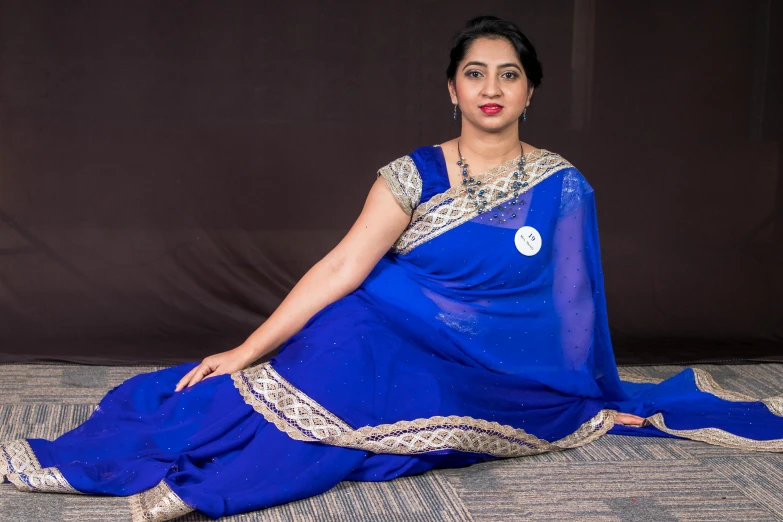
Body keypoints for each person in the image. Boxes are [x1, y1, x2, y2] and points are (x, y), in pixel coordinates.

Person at [2, 15, 782, 522]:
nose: (490, 88)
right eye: (475, 73)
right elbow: (343, 264)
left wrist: (587, 395)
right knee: (337, 368)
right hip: (378, 324)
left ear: (530, 90)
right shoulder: (410, 174)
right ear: (452, 89)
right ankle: (182, 466)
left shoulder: (562, 186)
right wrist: (245, 348)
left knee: (392, 408)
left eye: (508, 74)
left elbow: (571, 312)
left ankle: (218, 480)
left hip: (486, 366)